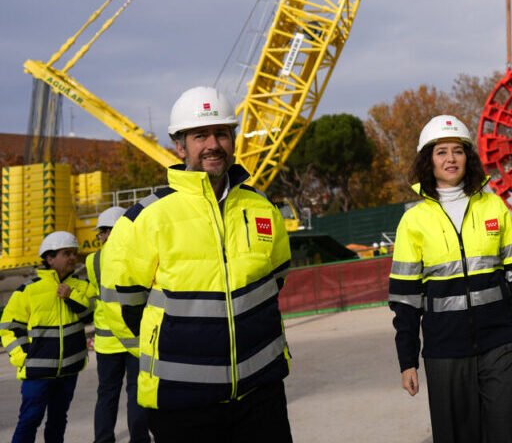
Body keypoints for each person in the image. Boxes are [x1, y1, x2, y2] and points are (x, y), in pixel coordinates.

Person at [100, 86, 293, 442]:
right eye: (200, 135)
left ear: (233, 140)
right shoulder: (144, 218)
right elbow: (121, 304)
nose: (212, 144)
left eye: (222, 133)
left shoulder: (262, 208)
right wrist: (166, 353)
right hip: (181, 403)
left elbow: (276, 278)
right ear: (180, 146)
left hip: (262, 394)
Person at [388, 115, 512, 443]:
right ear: (428, 160)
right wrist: (407, 360)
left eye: (458, 150)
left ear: (468, 157)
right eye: (441, 152)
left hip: (502, 342)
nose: (450, 158)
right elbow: (405, 298)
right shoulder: (413, 221)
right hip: (445, 349)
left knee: (507, 433)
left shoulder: (494, 207)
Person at [1, 231, 93, 443]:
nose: (72, 258)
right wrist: (23, 357)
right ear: (49, 258)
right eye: (66, 253)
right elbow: (9, 326)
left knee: (58, 420)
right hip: (37, 372)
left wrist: (71, 297)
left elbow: (89, 316)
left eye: (74, 253)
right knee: (29, 421)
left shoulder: (81, 286)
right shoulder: (28, 290)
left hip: (69, 370)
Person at [86, 205, 150, 443]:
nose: (102, 236)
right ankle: (140, 439)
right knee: (136, 392)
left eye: (102, 232)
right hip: (134, 338)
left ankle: (103, 439)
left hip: (107, 343)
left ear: (105, 233)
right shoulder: (138, 255)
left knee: (107, 395)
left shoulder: (93, 261)